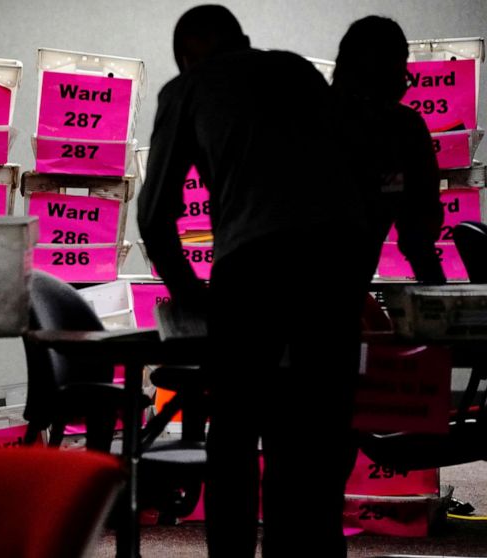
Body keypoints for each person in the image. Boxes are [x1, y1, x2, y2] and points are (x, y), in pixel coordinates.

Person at [137, 5, 366, 557]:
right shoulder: (296, 69)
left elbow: (154, 214)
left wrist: (192, 295)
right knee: (311, 432)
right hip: (338, 260)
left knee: (236, 434)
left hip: (255, 263)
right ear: (243, 39)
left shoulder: (188, 87)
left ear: (185, 56)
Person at [333, 15, 445, 285]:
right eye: (398, 66)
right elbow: (418, 233)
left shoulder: (306, 120)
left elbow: (417, 227)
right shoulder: (401, 130)